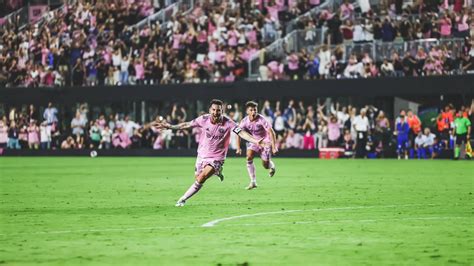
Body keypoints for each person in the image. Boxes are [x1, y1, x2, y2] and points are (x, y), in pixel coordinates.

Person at [154, 99, 267, 207]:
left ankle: (182, 199)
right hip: (202, 155)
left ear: (222, 111)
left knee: (201, 178)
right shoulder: (203, 119)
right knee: (197, 176)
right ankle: (217, 172)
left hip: (217, 158)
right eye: (213, 110)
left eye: (218, 110)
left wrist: (256, 141)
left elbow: (241, 133)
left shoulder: (228, 123)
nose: (215, 112)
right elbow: (186, 124)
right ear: (210, 110)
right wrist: (170, 127)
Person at [236, 101, 278, 190]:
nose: (253, 112)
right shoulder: (244, 121)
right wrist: (238, 147)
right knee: (249, 157)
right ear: (247, 111)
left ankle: (272, 167)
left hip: (265, 142)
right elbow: (238, 132)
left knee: (265, 165)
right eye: (251, 110)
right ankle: (253, 182)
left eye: (255, 110)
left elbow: (271, 132)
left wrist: (274, 147)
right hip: (254, 141)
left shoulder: (261, 119)